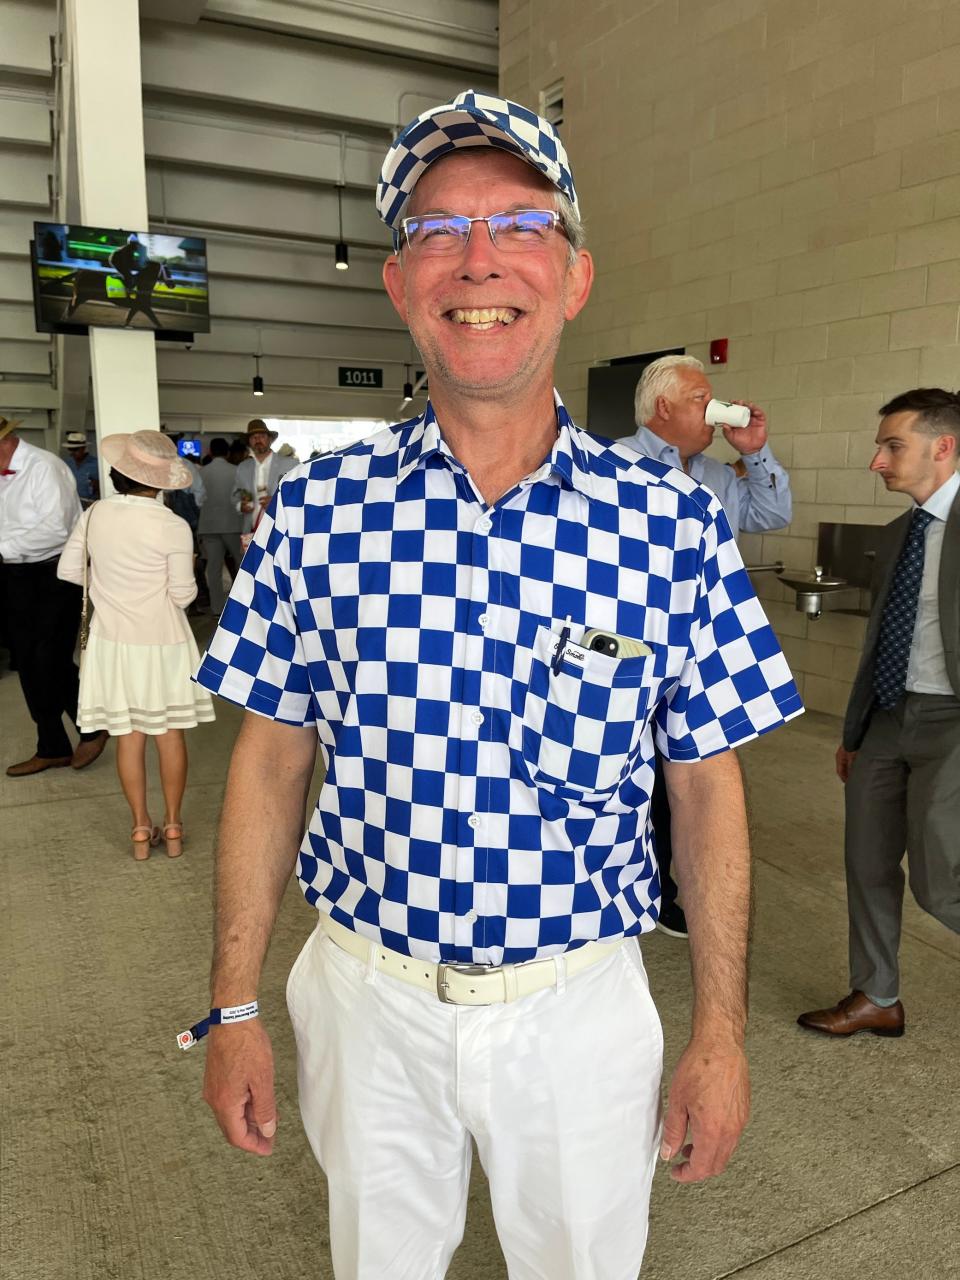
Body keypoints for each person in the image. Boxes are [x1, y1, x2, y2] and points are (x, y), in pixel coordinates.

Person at [194, 92, 802, 1280]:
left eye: (521, 224)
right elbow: (270, 759)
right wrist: (234, 1004)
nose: (478, 262)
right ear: (396, 280)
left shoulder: (670, 522)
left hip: (579, 1008)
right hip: (365, 997)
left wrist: (719, 1032)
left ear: (575, 277)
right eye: (437, 231)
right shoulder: (315, 511)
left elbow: (707, 783)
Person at [798, 389, 960, 1039]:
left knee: (940, 882)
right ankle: (877, 995)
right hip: (889, 720)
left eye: (893, 446)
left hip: (953, 727)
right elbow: (880, 640)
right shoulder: (900, 534)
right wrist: (854, 730)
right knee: (865, 860)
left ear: (942, 447)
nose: (877, 461)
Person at [624, 354, 794, 939]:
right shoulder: (613, 462)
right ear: (664, 407)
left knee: (691, 769)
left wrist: (753, 451)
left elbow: (773, 513)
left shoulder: (720, 475)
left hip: (700, 648)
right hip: (630, 644)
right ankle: (623, 879)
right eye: (703, 398)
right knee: (625, 768)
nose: (715, 408)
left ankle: (668, 890)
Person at [57, 430, 215, 859]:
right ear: (163, 481)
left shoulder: (94, 516)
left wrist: (111, 590)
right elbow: (184, 594)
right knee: (169, 737)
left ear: (116, 473)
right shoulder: (173, 525)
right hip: (163, 641)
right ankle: (175, 827)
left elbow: (71, 572)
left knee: (129, 739)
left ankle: (141, 830)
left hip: (112, 643)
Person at [0, 415, 108, 776]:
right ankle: (52, 746)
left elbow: (55, 529)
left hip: (55, 573)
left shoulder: (45, 467)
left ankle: (90, 728)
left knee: (51, 658)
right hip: (14, 573)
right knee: (28, 663)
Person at [197, 437, 243, 617]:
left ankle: (217, 608)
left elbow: (198, 499)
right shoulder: (237, 470)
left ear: (210, 452)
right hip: (233, 523)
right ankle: (241, 605)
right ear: (228, 452)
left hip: (208, 524)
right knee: (241, 566)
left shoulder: (201, 472)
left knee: (213, 569)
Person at [231, 418, 297, 536]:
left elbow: (301, 494)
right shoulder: (243, 467)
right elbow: (235, 494)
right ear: (249, 442)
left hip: (281, 531)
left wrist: (278, 501)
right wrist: (240, 506)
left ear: (270, 439)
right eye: (253, 437)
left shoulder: (289, 464)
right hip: (252, 532)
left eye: (262, 436)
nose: (258, 440)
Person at [61, 431, 100, 505]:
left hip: (91, 504)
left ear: (83, 448)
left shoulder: (96, 464)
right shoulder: (67, 463)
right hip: (72, 503)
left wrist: (97, 485)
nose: (72, 452)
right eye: (70, 449)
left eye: (75, 449)